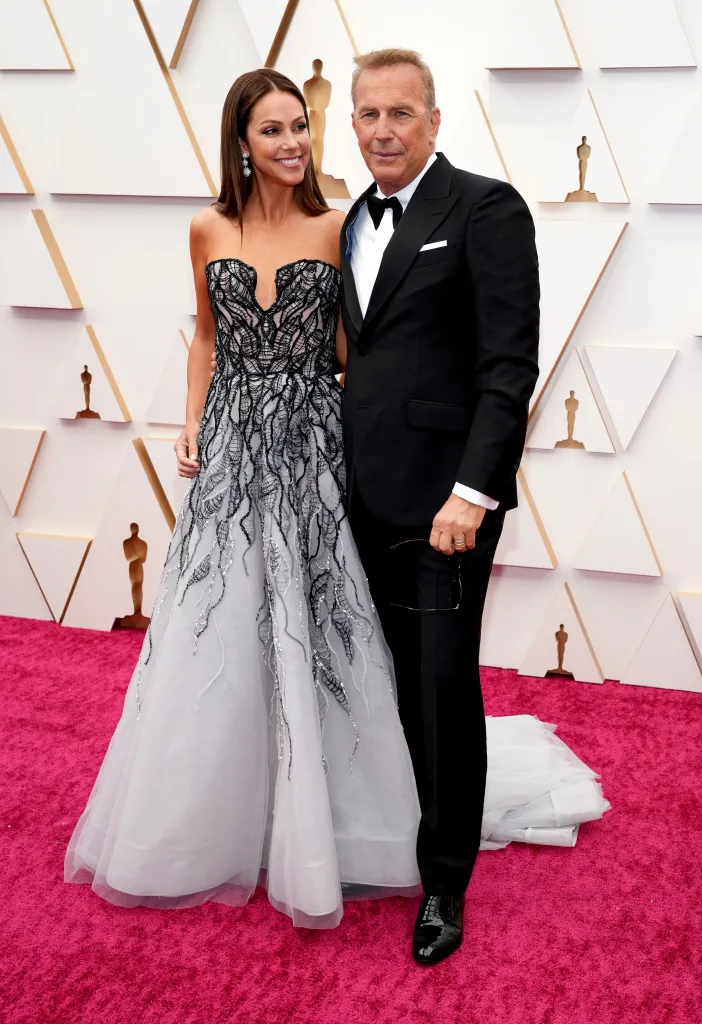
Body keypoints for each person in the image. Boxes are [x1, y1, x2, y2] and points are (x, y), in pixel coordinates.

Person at [64, 68, 422, 929]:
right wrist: (191, 421)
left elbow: (352, 349)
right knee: (216, 622)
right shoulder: (206, 227)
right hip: (229, 446)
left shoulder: (339, 227)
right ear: (241, 143)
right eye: (274, 130)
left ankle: (329, 823)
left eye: (300, 126)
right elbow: (208, 336)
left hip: (310, 447)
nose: (295, 142)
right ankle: (211, 815)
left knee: (312, 620)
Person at [338, 47, 602, 965]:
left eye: (400, 114)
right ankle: (403, 829)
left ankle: (445, 883)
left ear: (435, 120)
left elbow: (507, 368)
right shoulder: (349, 224)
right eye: (368, 114)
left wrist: (473, 494)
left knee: (445, 687)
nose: (381, 130)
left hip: (446, 508)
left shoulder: (484, 207)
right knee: (395, 682)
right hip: (363, 497)